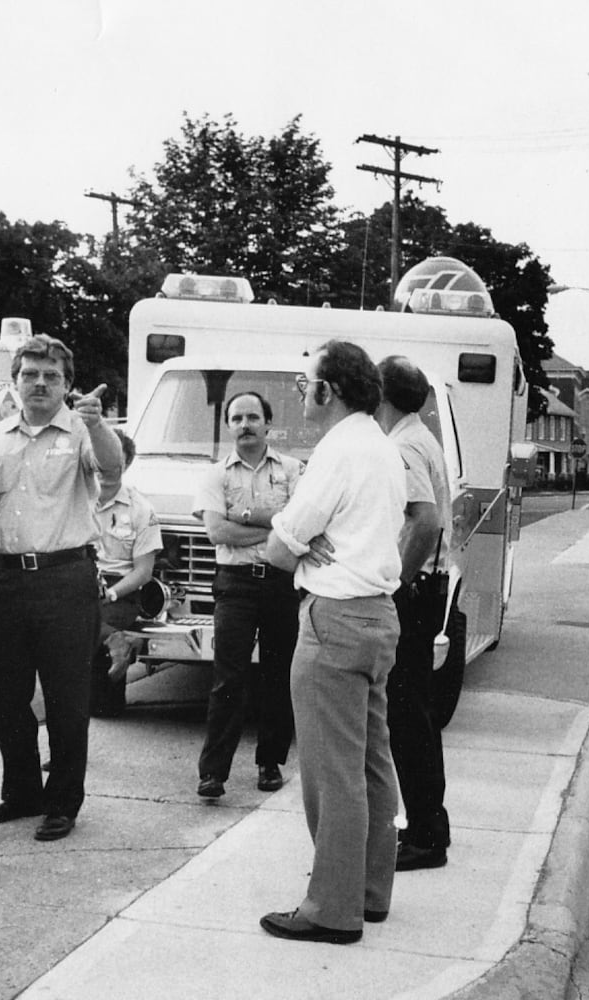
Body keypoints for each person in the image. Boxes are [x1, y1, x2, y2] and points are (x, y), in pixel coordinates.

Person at [259, 340, 406, 945]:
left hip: (334, 618)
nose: (302, 392)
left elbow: (278, 544)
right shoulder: (382, 446)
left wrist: (296, 546)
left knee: (331, 772)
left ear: (330, 389)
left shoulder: (337, 449)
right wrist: (304, 542)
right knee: (371, 761)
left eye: (306, 382)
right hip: (378, 616)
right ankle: (370, 892)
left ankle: (331, 909)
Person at [0, 333, 124, 843]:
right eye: (30, 374)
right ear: (14, 383)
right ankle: (21, 793)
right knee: (3, 696)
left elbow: (111, 471)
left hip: (65, 579)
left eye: (50, 376)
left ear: (67, 384)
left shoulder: (83, 430)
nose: (39, 383)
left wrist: (98, 423)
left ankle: (62, 802)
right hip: (6, 581)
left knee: (66, 699)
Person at [192, 391, 303, 798]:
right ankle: (212, 773)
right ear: (228, 424)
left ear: (268, 424)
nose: (245, 425)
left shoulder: (293, 470)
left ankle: (269, 764)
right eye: (236, 418)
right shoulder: (215, 475)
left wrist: (241, 516)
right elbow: (217, 532)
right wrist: (275, 528)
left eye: (253, 416)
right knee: (228, 678)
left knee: (278, 674)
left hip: (280, 582)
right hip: (234, 584)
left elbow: (301, 525)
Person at [376, 356, 453, 871]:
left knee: (407, 718)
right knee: (416, 713)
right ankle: (428, 824)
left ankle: (425, 833)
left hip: (415, 588)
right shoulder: (423, 438)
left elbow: (422, 521)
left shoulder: (402, 446)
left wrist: (396, 582)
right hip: (429, 586)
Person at [93, 429, 161, 717]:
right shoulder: (72, 500)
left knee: (102, 708)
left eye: (115, 461)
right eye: (101, 460)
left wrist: (111, 592)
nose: (107, 468)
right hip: (78, 582)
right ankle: (115, 639)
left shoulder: (141, 509)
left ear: (127, 464)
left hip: (120, 591)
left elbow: (144, 572)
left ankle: (114, 640)